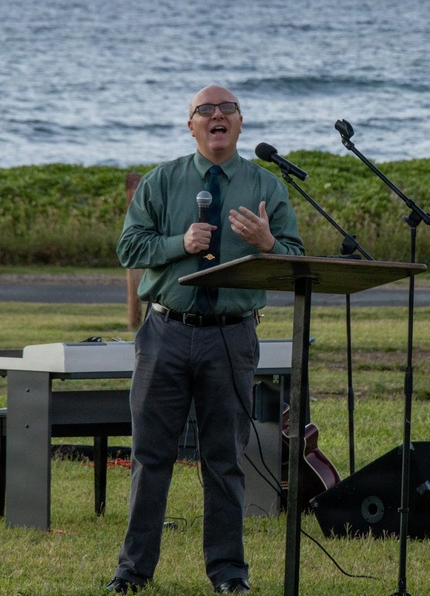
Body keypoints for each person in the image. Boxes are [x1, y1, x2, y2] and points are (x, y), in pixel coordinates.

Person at [111, 85, 304, 594]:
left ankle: (229, 573)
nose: (217, 115)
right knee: (151, 457)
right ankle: (133, 572)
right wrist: (181, 243)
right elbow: (129, 247)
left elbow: (295, 257)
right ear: (191, 125)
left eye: (227, 109)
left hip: (231, 337)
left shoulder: (265, 186)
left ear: (240, 122)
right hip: (165, 334)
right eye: (206, 110)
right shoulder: (162, 181)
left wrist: (268, 243)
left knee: (224, 460)